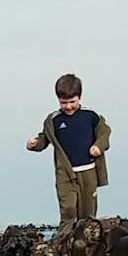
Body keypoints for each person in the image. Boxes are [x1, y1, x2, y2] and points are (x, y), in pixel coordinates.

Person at [26, 73, 111, 227]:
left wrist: (98, 146)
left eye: (72, 101)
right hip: (65, 173)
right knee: (68, 209)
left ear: (80, 97)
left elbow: (105, 132)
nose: (68, 106)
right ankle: (63, 243)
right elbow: (45, 138)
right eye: (64, 102)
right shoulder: (54, 119)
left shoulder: (90, 116)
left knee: (87, 215)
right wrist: (35, 143)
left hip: (88, 171)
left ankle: (86, 247)